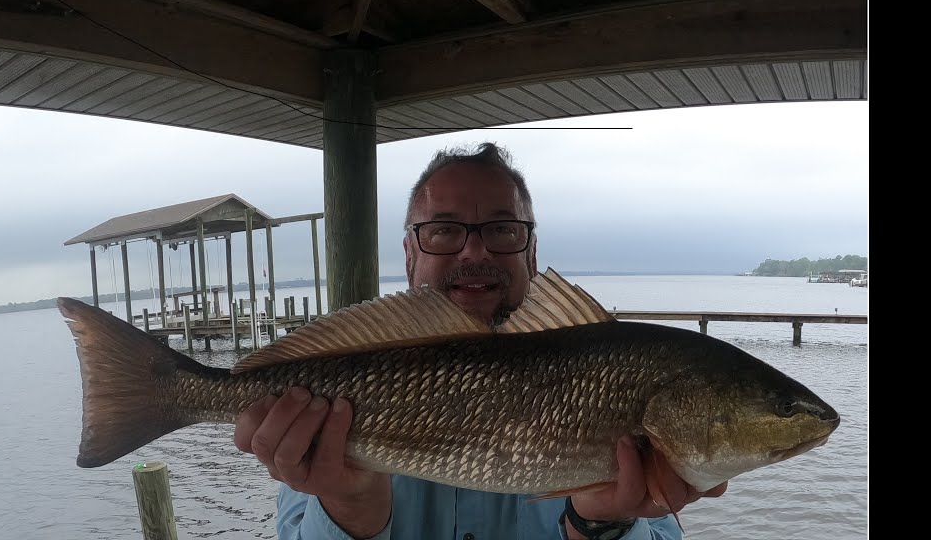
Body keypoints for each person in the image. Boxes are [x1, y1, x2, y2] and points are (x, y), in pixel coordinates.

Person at [232, 142, 728, 540]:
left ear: (532, 254)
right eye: (444, 230)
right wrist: (350, 510)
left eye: (502, 229)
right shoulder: (334, 391)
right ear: (409, 256)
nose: (474, 249)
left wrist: (599, 526)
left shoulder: (617, 376)